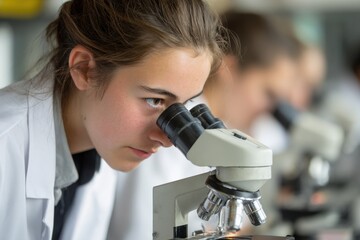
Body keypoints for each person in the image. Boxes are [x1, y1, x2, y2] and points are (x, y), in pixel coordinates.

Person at [0, 0, 228, 239]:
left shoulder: (102, 147)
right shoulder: (5, 146)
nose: (168, 140)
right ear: (84, 69)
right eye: (154, 100)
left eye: (183, 106)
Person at [107, 11, 302, 239]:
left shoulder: (225, 130)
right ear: (229, 68)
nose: (270, 110)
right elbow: (140, 229)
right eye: (268, 93)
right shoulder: (169, 132)